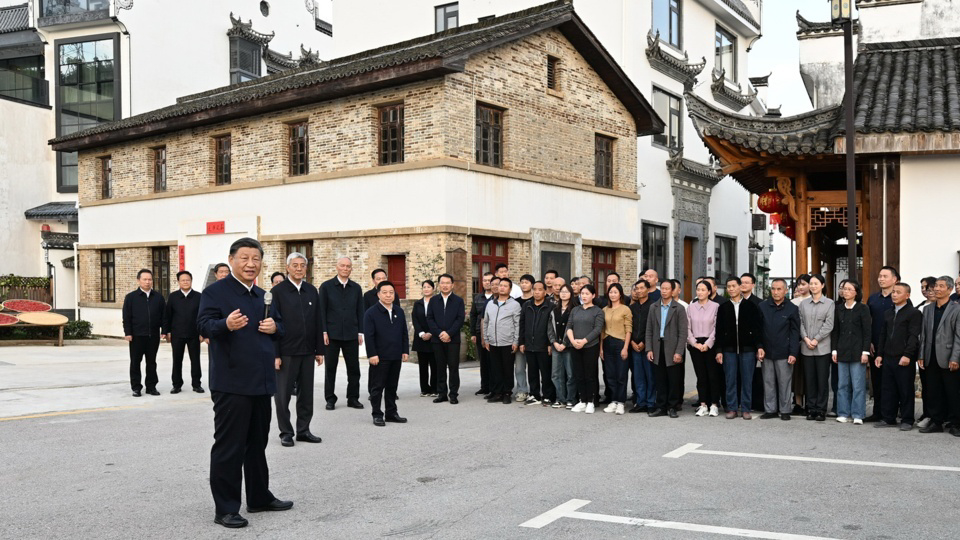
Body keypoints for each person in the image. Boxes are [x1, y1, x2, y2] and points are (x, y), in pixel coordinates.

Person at [197, 238, 291, 529]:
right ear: (231, 260)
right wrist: (225, 324)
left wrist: (275, 327)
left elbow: (280, 327)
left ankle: (259, 497)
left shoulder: (264, 295)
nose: (251, 264)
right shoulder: (215, 292)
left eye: (256, 259)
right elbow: (202, 325)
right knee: (229, 446)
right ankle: (225, 508)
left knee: (257, 444)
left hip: (261, 382)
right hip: (232, 383)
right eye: (244, 258)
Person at [270, 252, 323, 447]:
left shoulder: (311, 290)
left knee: (306, 394)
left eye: (302, 265)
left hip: (307, 351)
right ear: (287, 268)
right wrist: (275, 354)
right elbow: (272, 324)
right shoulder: (278, 292)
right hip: (286, 351)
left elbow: (318, 320)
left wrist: (319, 350)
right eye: (295, 265)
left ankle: (303, 430)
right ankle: (286, 432)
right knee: (282, 395)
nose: (299, 268)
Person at [318, 257, 365, 411]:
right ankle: (330, 398)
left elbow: (360, 310)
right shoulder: (326, 287)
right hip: (332, 334)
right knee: (330, 368)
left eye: (348, 266)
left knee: (354, 368)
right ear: (337, 267)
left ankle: (353, 398)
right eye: (343, 266)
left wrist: (360, 332)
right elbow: (321, 310)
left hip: (351, 333)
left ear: (351, 269)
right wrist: (324, 331)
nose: (345, 268)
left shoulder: (356, 288)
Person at [874, 282, 923, 430]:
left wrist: (908, 355)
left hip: (904, 357)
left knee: (905, 390)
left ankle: (907, 420)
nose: (894, 295)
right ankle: (888, 418)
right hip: (888, 356)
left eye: (898, 292)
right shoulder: (888, 313)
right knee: (888, 389)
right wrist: (879, 354)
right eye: (893, 292)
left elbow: (914, 336)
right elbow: (883, 335)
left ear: (907, 295)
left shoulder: (913, 313)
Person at [715, 276, 763, 420]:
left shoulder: (751, 306)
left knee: (747, 379)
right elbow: (719, 331)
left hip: (748, 349)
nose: (731, 289)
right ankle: (732, 408)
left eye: (733, 286)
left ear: (739, 287)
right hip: (728, 349)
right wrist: (719, 350)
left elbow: (757, 329)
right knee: (730, 379)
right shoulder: (723, 307)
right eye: (728, 286)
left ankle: (746, 408)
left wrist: (759, 346)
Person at [363, 281, 409, 427]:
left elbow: (404, 332)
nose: (388, 295)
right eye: (385, 292)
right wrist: (372, 354)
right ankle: (377, 414)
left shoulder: (399, 311)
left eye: (391, 292)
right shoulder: (371, 313)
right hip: (379, 356)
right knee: (377, 387)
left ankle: (391, 413)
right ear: (378, 294)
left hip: (395, 355)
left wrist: (405, 350)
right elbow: (369, 336)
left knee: (392, 386)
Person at [918, 276, 960, 435]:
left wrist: (955, 357)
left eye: (941, 286)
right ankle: (936, 422)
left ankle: (956, 423)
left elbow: (958, 336)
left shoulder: (957, 309)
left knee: (952, 391)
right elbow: (923, 335)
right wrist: (921, 355)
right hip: (931, 356)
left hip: (949, 357)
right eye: (936, 286)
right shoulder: (928, 309)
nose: (936, 289)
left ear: (949, 289)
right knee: (933, 391)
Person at [756, 279, 800, 421]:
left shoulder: (792, 308)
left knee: (784, 382)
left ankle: (785, 410)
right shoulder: (763, 306)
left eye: (779, 289)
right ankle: (770, 410)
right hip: (766, 351)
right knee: (768, 382)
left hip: (784, 352)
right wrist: (759, 347)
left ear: (786, 291)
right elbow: (758, 330)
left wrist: (793, 352)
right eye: (773, 289)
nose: (775, 292)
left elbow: (795, 333)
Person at [831, 280, 872, 425]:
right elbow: (835, 331)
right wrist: (834, 350)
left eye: (849, 289)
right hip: (842, 350)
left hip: (858, 351)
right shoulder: (839, 309)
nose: (846, 291)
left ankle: (858, 414)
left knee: (858, 385)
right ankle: (843, 412)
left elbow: (867, 332)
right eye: (844, 289)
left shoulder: (863, 308)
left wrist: (865, 351)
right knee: (842, 384)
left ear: (856, 292)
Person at [646, 280, 687, 418]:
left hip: (673, 347)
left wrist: (679, 351)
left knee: (673, 379)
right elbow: (649, 330)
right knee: (660, 378)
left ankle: (672, 407)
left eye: (667, 289)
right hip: (657, 347)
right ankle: (661, 407)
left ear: (672, 291)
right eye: (662, 288)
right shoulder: (653, 307)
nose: (664, 291)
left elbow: (683, 333)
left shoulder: (679, 308)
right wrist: (649, 349)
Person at [123, 269, 165, 397]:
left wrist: (164, 330)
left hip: (153, 336)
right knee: (135, 362)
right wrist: (128, 332)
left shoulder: (158, 297)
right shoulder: (131, 297)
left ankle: (151, 387)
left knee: (151, 362)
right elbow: (127, 317)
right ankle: (136, 387)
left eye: (150, 279)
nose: (147, 282)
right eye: (145, 279)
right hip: (136, 336)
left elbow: (164, 316)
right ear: (138, 280)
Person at [865, 266, 899, 422]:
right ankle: (877, 412)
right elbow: (867, 323)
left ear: (894, 279)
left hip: (893, 347)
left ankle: (890, 414)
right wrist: (869, 342)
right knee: (877, 381)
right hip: (875, 346)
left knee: (891, 382)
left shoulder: (899, 297)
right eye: (880, 276)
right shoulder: (873, 299)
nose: (881, 279)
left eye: (885, 276)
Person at [799, 274, 835, 422]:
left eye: (816, 283)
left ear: (822, 285)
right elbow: (800, 322)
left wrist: (816, 339)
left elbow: (829, 324)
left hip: (823, 348)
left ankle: (821, 410)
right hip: (806, 346)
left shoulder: (829, 303)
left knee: (822, 380)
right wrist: (806, 338)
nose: (813, 286)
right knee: (810, 380)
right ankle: (811, 408)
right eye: (811, 284)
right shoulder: (803, 304)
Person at [426, 273, 465, 404]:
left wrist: (449, 333)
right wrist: (440, 333)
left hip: (453, 340)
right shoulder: (433, 300)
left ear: (452, 285)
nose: (445, 285)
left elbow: (460, 319)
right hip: (437, 340)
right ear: (439, 285)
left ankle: (453, 394)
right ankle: (442, 393)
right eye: (442, 283)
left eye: (448, 283)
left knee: (453, 367)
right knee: (439, 367)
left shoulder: (458, 301)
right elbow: (430, 319)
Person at [163, 270, 204, 394]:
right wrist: (166, 331)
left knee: (195, 360)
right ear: (178, 282)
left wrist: (203, 333)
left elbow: (203, 316)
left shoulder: (199, 296)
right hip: (177, 334)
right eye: (183, 280)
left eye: (188, 280)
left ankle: (197, 384)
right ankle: (176, 385)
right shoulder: (173, 296)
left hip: (194, 334)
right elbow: (167, 316)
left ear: (191, 281)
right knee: (177, 360)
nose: (185, 282)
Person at [566, 285, 604, 414]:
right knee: (579, 374)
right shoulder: (575, 310)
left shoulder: (598, 311)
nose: (584, 296)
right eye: (582, 293)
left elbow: (597, 329)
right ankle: (582, 400)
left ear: (593, 295)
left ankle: (591, 401)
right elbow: (569, 326)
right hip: (575, 346)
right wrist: (573, 341)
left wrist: (583, 341)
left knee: (589, 375)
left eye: (587, 293)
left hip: (590, 346)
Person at [483, 278, 521, 405]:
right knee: (496, 369)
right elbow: (486, 322)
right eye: (500, 285)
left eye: (505, 286)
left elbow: (517, 325)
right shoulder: (490, 304)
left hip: (508, 342)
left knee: (507, 369)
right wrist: (486, 339)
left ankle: (507, 393)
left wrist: (516, 341)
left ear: (510, 289)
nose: (502, 287)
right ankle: (497, 392)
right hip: (493, 342)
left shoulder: (514, 305)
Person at [687, 280, 721, 417]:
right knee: (700, 376)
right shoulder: (691, 307)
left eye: (703, 290)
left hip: (710, 344)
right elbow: (687, 327)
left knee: (713, 375)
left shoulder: (715, 306)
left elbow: (716, 327)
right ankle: (703, 404)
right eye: (698, 290)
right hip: (695, 344)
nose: (700, 292)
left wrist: (708, 343)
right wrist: (694, 343)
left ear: (709, 292)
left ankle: (714, 404)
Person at [520, 281, 554, 406]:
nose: (537, 292)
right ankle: (534, 395)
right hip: (529, 344)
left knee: (546, 372)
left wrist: (550, 343)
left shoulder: (551, 306)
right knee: (532, 372)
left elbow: (552, 327)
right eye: (535, 289)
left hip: (544, 345)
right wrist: (522, 342)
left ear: (545, 292)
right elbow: (522, 324)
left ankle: (548, 396)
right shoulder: (527, 305)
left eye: (540, 289)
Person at [599, 283, 632, 415]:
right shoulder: (604, 310)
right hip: (607, 343)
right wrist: (601, 348)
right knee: (610, 374)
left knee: (621, 374)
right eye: (611, 292)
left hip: (620, 343)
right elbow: (602, 330)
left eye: (615, 292)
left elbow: (628, 329)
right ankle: (613, 400)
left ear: (620, 294)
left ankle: (621, 402)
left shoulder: (625, 309)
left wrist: (625, 348)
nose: (612, 295)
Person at [629, 279, 656, 413]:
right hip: (634, 346)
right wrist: (632, 342)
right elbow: (628, 327)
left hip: (649, 347)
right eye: (636, 289)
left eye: (641, 288)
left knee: (650, 376)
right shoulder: (632, 308)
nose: (639, 291)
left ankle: (651, 403)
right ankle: (641, 402)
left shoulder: (654, 306)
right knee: (638, 376)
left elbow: (654, 327)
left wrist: (645, 343)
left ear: (648, 289)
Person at [548, 284, 576, 409]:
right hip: (556, 346)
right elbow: (549, 328)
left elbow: (573, 328)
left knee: (570, 374)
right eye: (562, 291)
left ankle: (571, 399)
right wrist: (554, 342)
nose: (563, 293)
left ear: (571, 294)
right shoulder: (554, 310)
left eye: (566, 291)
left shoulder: (575, 310)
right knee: (555, 374)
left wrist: (565, 343)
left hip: (568, 347)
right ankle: (560, 399)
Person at [470, 273, 496, 396]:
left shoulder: (497, 298)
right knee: (483, 361)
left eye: (489, 280)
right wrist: (473, 333)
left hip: (493, 334)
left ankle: (493, 387)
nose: (487, 283)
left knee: (492, 361)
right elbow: (473, 315)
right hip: (480, 333)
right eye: (484, 280)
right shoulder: (478, 298)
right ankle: (484, 386)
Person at [412, 279, 437, 398]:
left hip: (434, 338)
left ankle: (434, 389)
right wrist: (422, 333)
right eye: (424, 287)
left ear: (433, 289)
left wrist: (431, 333)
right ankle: (424, 389)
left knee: (435, 365)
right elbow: (415, 319)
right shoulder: (418, 304)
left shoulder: (437, 302)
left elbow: (438, 319)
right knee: (423, 366)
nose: (426, 289)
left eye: (428, 287)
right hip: (421, 339)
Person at [513, 274, 535, 402]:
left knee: (534, 368)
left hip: (534, 340)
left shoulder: (536, 300)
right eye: (522, 282)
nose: (524, 285)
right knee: (519, 368)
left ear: (532, 284)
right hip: (520, 338)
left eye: (526, 282)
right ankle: (522, 390)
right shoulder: (515, 301)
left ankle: (535, 391)